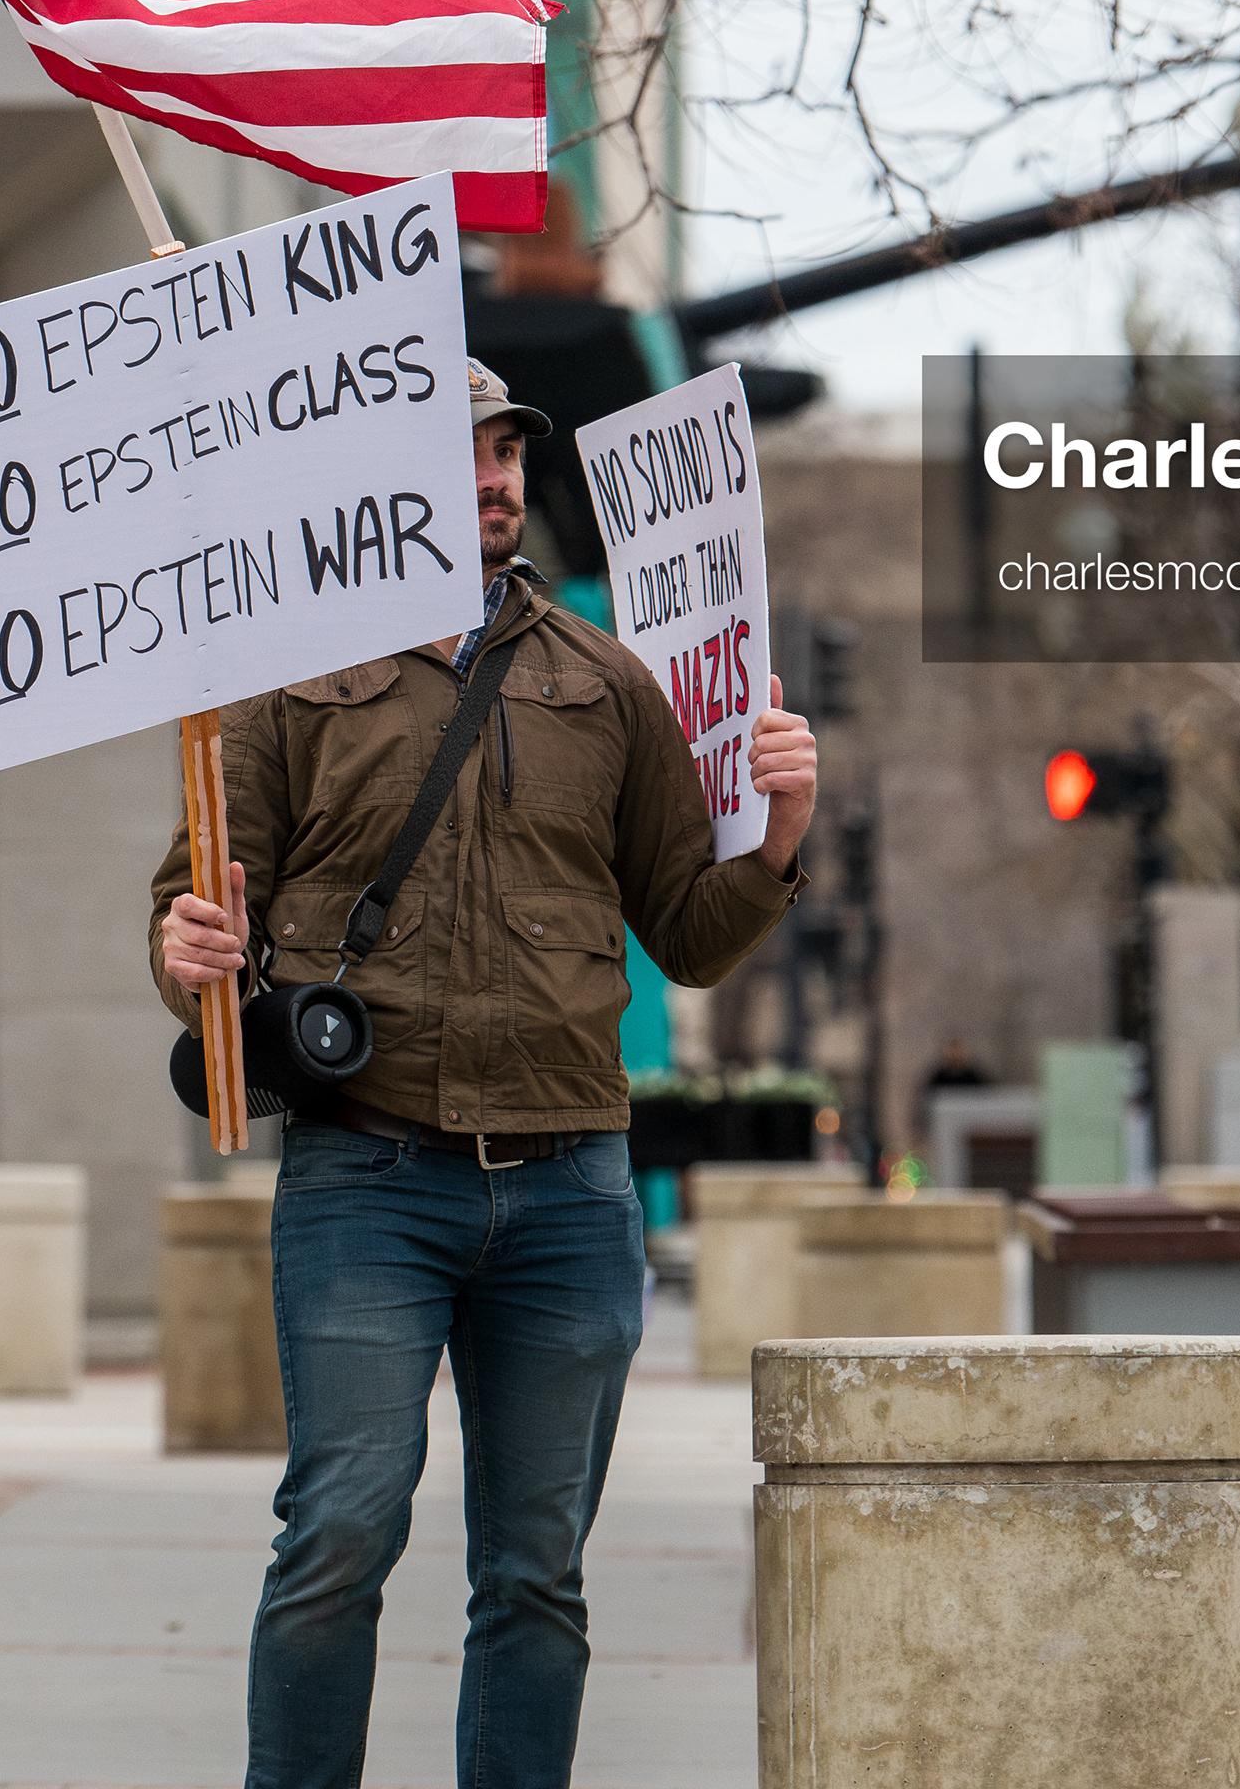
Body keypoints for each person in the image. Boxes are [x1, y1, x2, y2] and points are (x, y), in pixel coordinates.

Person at [149, 361, 819, 1789]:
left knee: (536, 1571)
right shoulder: (282, 681)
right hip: (365, 1184)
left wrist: (774, 843)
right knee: (341, 1533)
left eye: (508, 453)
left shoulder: (609, 685)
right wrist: (188, 943)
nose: (498, 477)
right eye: (465, 453)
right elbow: (202, 908)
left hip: (572, 1190)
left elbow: (687, 944)